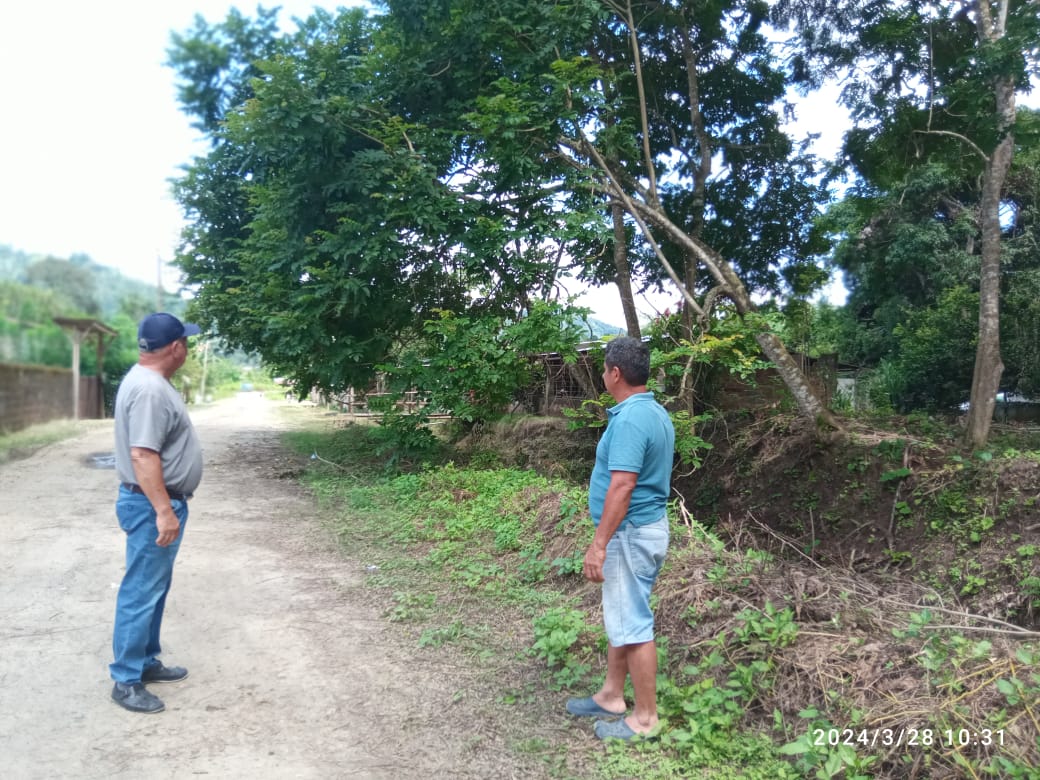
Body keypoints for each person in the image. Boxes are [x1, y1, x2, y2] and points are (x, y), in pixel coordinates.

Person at [565, 336, 675, 740]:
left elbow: (623, 485)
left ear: (615, 373)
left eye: (603, 369)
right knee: (622, 613)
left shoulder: (630, 420)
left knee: (633, 622)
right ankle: (612, 695)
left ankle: (645, 719)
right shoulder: (652, 412)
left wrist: (598, 544)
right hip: (640, 530)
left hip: (630, 534)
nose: (602, 375)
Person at [109, 312, 203, 714]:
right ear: (176, 347)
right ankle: (126, 679)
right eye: (186, 343)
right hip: (151, 505)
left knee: (153, 587)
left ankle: (145, 660)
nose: (188, 349)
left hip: (154, 502)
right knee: (141, 590)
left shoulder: (147, 381)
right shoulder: (149, 389)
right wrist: (164, 510)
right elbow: (143, 455)